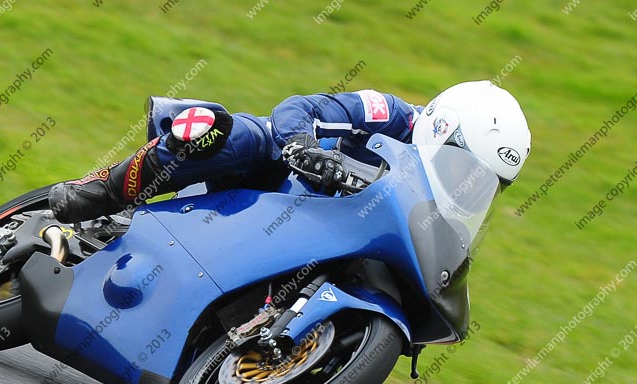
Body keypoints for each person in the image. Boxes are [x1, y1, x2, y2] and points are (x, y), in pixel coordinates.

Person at [48, 80, 531, 223]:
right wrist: (301, 145)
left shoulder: (445, 207)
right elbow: (302, 106)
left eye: (484, 182)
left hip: (326, 225)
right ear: (444, 128)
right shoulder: (393, 113)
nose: (465, 182)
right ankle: (101, 192)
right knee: (230, 135)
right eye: (463, 164)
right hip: (278, 169)